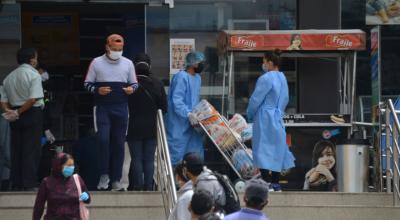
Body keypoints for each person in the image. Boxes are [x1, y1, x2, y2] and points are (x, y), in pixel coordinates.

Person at [84, 34, 138, 191]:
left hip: (121, 107)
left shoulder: (128, 63)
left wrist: (130, 90)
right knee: (103, 140)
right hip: (102, 108)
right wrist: (97, 89)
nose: (117, 52)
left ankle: (116, 179)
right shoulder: (96, 62)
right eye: (114, 49)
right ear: (107, 47)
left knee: (119, 144)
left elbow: (135, 84)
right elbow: (87, 83)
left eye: (120, 49)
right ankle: (104, 175)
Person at [246, 49, 295, 192]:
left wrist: (250, 114)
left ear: (270, 62)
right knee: (277, 149)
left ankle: (266, 183)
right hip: (278, 115)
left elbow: (256, 99)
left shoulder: (265, 78)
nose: (263, 63)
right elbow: (285, 98)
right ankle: (275, 183)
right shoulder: (283, 77)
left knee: (263, 149)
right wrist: (278, 112)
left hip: (264, 116)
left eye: (264, 61)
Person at [0, 48, 44, 191]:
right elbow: (32, 99)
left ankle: (17, 182)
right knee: (31, 149)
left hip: (16, 116)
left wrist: (10, 111)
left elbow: (3, 99)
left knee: (17, 148)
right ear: (32, 59)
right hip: (31, 113)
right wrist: (18, 112)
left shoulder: (9, 77)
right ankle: (29, 183)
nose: (37, 60)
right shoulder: (34, 75)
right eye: (36, 57)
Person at [127, 53, 167, 191]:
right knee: (149, 158)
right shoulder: (157, 83)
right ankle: (149, 186)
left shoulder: (129, 84)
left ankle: (137, 186)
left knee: (136, 157)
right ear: (149, 65)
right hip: (152, 127)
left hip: (133, 126)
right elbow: (164, 107)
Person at [165, 51, 205, 166]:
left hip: (193, 124)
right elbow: (176, 101)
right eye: (200, 63)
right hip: (179, 123)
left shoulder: (197, 78)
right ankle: (175, 182)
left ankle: (194, 181)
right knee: (177, 154)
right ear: (193, 63)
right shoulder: (181, 77)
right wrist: (188, 114)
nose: (202, 65)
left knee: (195, 154)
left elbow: (195, 99)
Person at [33, 153, 91, 220]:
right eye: (68, 165)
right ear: (59, 166)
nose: (71, 167)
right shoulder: (47, 182)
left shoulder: (77, 179)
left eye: (72, 165)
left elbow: (88, 200)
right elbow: (39, 206)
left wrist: (86, 196)